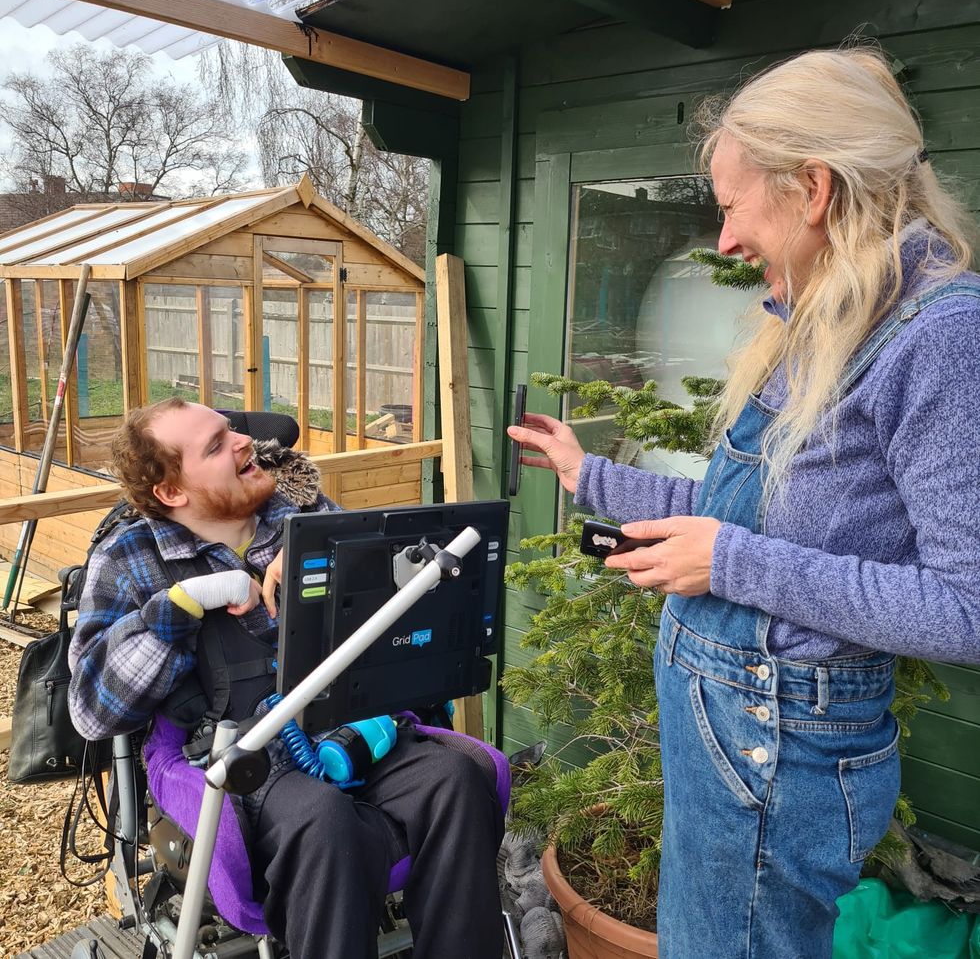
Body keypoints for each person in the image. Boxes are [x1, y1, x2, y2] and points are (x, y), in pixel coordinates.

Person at [508, 47, 980, 959]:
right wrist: (588, 477)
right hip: (732, 727)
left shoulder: (946, 336)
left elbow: (967, 608)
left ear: (813, 187)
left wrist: (727, 563)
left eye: (730, 204)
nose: (723, 239)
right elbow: (752, 510)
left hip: (777, 745)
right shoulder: (829, 319)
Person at [68, 398, 504, 959]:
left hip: (345, 726)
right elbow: (91, 711)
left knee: (455, 781)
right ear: (172, 491)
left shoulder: (306, 516)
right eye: (216, 446)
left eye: (231, 432)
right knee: (324, 822)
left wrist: (320, 577)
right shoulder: (129, 558)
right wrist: (181, 604)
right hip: (236, 757)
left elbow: (388, 626)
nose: (244, 442)